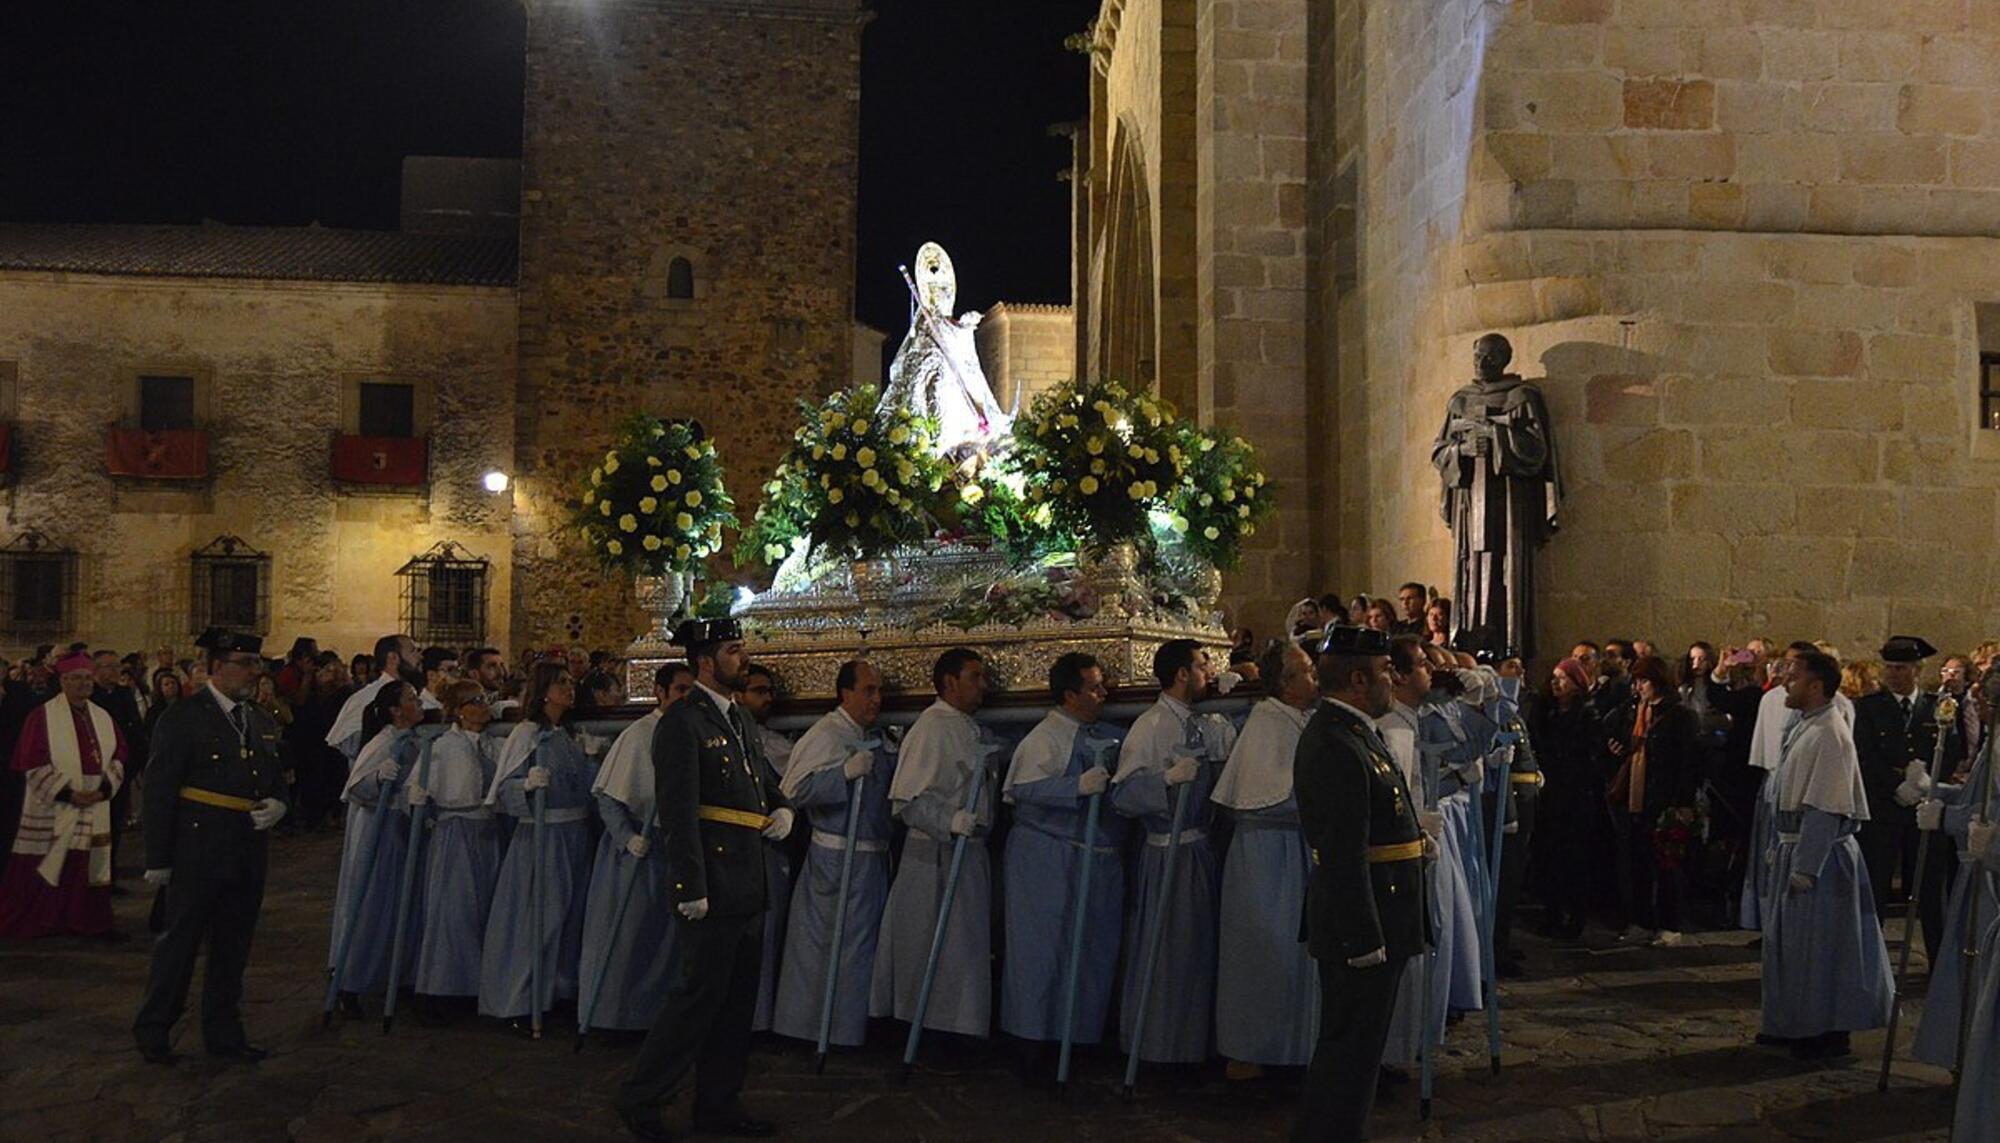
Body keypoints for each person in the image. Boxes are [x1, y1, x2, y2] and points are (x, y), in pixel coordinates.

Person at [616, 618, 794, 1141]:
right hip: (712, 881)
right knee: (697, 1001)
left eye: (741, 648)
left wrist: (782, 809)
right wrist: (689, 886)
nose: (743, 658)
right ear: (706, 662)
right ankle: (641, 1096)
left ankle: (718, 1102)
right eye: (734, 650)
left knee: (736, 1005)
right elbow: (677, 811)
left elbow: (761, 780)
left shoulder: (737, 718)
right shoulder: (682, 723)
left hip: (747, 877)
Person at [1292, 625, 1426, 1143]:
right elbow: (1344, 853)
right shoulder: (1332, 741)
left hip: (1383, 907)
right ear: (1356, 680)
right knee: (1349, 1048)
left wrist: (1416, 841)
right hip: (1363, 921)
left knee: (1360, 1048)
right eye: (1383, 672)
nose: (1392, 680)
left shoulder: (1354, 731)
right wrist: (1363, 935)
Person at [132, 629, 287, 1064]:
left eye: (258, 664)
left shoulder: (259, 720)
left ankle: (224, 1033)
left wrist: (279, 805)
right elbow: (160, 789)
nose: (255, 673)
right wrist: (158, 858)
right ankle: (154, 1029)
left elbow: (275, 778)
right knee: (179, 946)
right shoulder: (183, 717)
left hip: (246, 849)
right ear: (217, 667)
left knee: (233, 948)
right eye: (245, 663)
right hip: (197, 848)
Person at [998, 651, 1129, 1083]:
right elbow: (1022, 788)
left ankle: (1077, 1038)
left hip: (1088, 855)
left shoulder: (1101, 733)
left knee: (1087, 950)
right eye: (1093, 686)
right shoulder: (1045, 738)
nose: (1103, 692)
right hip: (1047, 857)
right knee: (1042, 949)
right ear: (1070, 694)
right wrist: (1074, 786)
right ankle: (1032, 1041)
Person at [1758, 650, 1893, 1061]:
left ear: (1816, 686)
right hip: (1795, 848)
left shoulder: (1830, 733)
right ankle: (1792, 1021)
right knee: (1792, 946)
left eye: (1794, 677)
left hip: (1818, 860)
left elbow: (1825, 806)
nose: (1785, 682)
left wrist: (1806, 866)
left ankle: (1825, 1029)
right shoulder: (1806, 725)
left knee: (1821, 949)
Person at [1110, 638, 1236, 1069]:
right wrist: (1165, 781)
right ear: (1182, 674)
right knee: (1169, 953)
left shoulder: (1203, 721)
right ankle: (1163, 1049)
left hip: (1200, 848)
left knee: (1200, 952)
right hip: (1168, 853)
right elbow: (1123, 795)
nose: (1209, 672)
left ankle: (1197, 1044)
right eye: (1203, 665)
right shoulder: (1152, 726)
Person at [872, 647, 998, 1048]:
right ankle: (929, 1033)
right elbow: (907, 800)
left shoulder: (967, 726)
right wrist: (949, 821)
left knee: (965, 948)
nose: (984, 686)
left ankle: (961, 1028)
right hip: (935, 858)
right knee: (931, 945)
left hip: (968, 854)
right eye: (975, 677)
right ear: (949, 682)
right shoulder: (931, 727)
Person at [772, 659, 895, 1051]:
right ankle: (809, 1028)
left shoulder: (870, 734)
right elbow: (792, 790)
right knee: (824, 946)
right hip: (835, 860)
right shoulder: (826, 734)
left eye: (879, 690)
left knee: (860, 950)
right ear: (845, 693)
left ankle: (848, 1028)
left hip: (870, 858)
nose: (876, 698)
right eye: (868, 690)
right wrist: (840, 775)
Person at [1212, 639, 1320, 1075]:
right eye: (1308, 671)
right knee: (1264, 952)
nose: (1315, 678)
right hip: (1265, 857)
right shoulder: (1266, 723)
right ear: (1285, 684)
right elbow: (1261, 799)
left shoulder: (1297, 718)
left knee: (1296, 956)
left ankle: (1294, 1049)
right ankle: (1253, 1052)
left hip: (1292, 853)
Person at [579, 662, 693, 1034]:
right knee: (627, 939)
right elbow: (610, 797)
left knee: (663, 944)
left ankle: (652, 1018)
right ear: (660, 693)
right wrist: (626, 837)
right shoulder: (638, 735)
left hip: (672, 847)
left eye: (691, 691)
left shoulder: (692, 732)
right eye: (679, 690)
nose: (685, 698)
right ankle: (612, 1018)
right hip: (634, 852)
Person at [480, 662, 597, 1026]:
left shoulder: (570, 734)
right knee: (539, 917)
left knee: (571, 917)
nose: (569, 688)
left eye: (570, 682)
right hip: (542, 837)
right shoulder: (527, 734)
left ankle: (559, 990)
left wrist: (593, 759)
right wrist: (526, 785)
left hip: (575, 834)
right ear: (544, 690)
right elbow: (503, 789)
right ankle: (519, 999)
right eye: (561, 683)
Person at [0, 650, 129, 937]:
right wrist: (69, 794)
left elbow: (120, 753)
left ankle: (85, 919)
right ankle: (46, 920)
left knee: (86, 865)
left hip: (95, 802)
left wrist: (104, 788)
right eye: (76, 679)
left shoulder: (103, 717)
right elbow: (31, 759)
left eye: (87, 678)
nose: (84, 684)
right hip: (56, 803)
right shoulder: (42, 716)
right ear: (63, 682)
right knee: (48, 862)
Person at [328, 680, 425, 1013]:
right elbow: (355, 788)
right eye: (412, 699)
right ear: (395, 710)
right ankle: (350, 979)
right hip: (377, 831)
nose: (419, 703)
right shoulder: (383, 742)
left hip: (402, 828)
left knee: (402, 902)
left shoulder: (416, 741)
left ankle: (398, 974)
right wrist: (377, 779)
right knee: (372, 903)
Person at [407, 680, 502, 1018]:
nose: (484, 705)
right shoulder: (444, 746)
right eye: (476, 701)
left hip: (486, 830)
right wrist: (418, 799)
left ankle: (477, 985)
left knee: (483, 910)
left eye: (485, 698)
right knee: (453, 910)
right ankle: (443, 988)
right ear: (461, 710)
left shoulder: (492, 744)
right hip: (456, 832)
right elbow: (418, 789)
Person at [1604, 656, 1699, 946]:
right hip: (1636, 796)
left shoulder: (1679, 716)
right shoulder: (1635, 712)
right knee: (1637, 861)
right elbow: (1619, 736)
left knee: (1666, 863)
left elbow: (1688, 762)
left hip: (1663, 797)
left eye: (1643, 680)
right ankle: (1642, 919)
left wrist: (1683, 801)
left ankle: (1670, 924)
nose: (1638, 686)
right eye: (1636, 681)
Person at [1854, 636, 1937, 914]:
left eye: (1900, 668)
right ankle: (1869, 953)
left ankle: (1937, 955)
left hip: (1923, 811)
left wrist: (1926, 782)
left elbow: (1950, 750)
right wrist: (1896, 786)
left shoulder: (1936, 706)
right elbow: (1865, 754)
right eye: (1888, 667)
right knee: (1875, 885)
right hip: (1883, 808)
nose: (1893, 674)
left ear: (1917, 669)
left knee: (1929, 890)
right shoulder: (1869, 707)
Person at [737, 661, 794, 1033]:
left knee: (771, 932)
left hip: (769, 851)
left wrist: (784, 812)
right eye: (759, 691)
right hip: (736, 853)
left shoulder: (772, 743)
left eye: (770, 691)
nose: (767, 698)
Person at [1528, 657, 1600, 939]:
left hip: (1575, 796)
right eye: (1554, 678)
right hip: (1551, 794)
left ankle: (1575, 915)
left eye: (1563, 679)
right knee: (1550, 856)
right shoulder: (1546, 713)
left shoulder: (1586, 715)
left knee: (1574, 858)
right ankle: (1552, 912)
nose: (1556, 683)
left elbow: (1590, 757)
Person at [326, 635, 418, 762]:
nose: (419, 657)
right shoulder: (366, 697)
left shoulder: (414, 693)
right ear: (393, 658)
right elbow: (347, 743)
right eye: (413, 651)